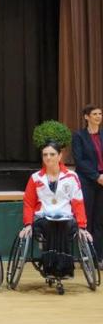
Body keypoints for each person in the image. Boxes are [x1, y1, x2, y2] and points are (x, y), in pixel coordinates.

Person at [19, 141, 91, 278]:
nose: (48, 158)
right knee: (50, 225)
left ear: (60, 156)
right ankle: (50, 267)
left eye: (52, 154)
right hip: (43, 219)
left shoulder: (71, 177)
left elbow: (78, 202)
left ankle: (64, 268)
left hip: (66, 219)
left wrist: (82, 226)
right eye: (45, 154)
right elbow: (28, 203)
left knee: (64, 225)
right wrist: (28, 224)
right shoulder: (35, 178)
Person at [71, 104, 103, 263]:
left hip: (102, 181)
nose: (98, 116)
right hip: (87, 181)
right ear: (86, 117)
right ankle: (86, 255)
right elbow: (79, 160)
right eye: (95, 114)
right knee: (87, 218)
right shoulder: (79, 136)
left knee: (99, 219)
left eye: (100, 114)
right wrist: (96, 176)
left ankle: (98, 257)